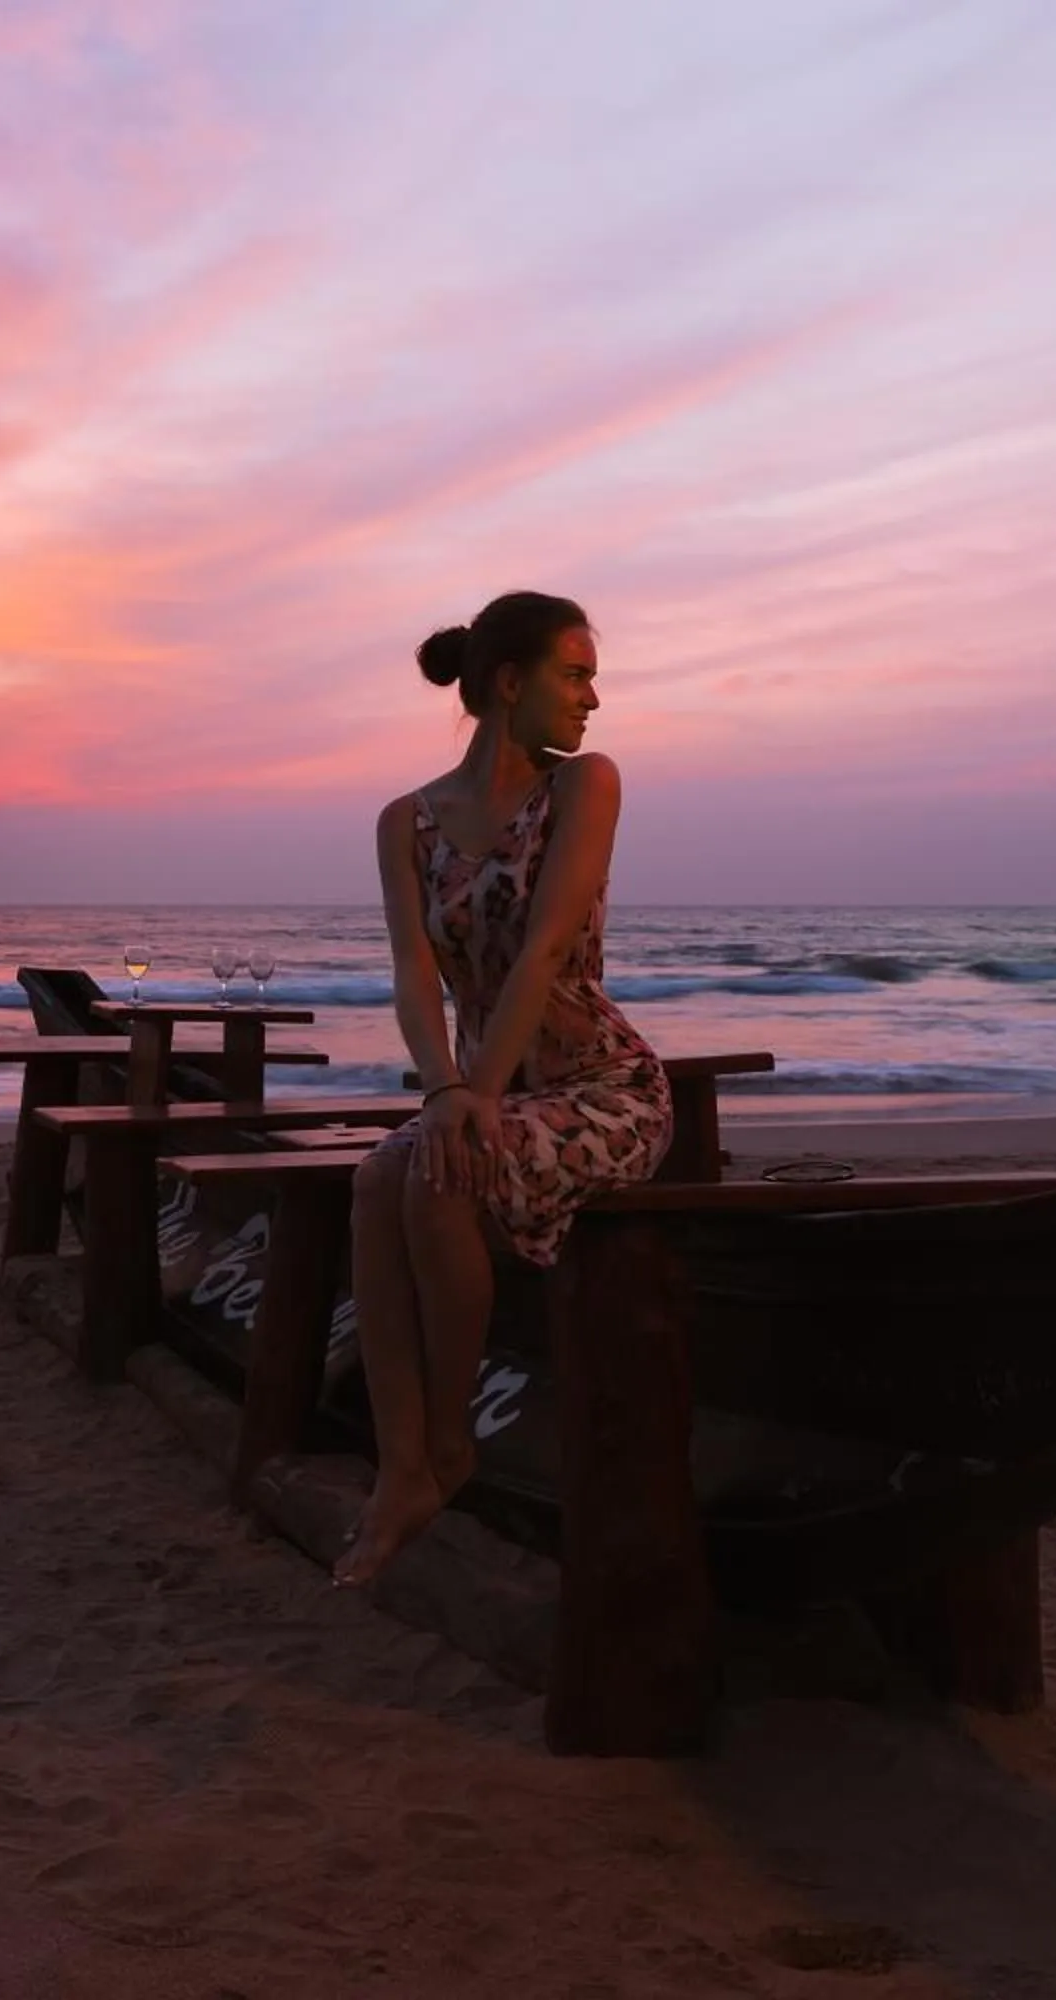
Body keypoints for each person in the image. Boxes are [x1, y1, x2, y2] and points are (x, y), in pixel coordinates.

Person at [333, 591, 674, 1588]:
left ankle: (449, 1443)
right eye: (575, 675)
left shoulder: (585, 788)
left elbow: (544, 951)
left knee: (438, 1179)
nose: (594, 699)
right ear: (511, 683)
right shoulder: (407, 821)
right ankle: (403, 1466)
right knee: (372, 1181)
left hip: (602, 1088)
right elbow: (411, 974)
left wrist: (470, 1096)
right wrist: (445, 1087)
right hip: (480, 1091)